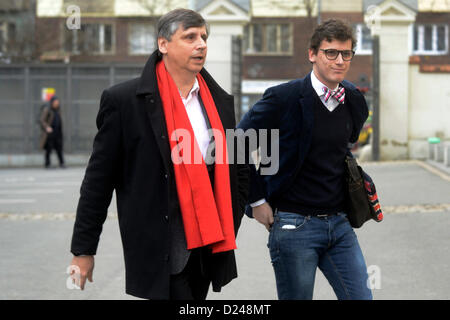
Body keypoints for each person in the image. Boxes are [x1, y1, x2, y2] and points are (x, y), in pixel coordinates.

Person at [69, 8, 248, 300]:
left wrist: (232, 218)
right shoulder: (124, 102)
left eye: (204, 37)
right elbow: (98, 182)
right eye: (190, 37)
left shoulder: (219, 101)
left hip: (208, 247)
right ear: (163, 44)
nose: (201, 44)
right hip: (161, 249)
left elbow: (238, 167)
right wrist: (83, 250)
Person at [238, 19, 373, 300]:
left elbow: (342, 150)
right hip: (293, 225)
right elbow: (237, 143)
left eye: (346, 54)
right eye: (331, 52)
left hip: (339, 224)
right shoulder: (284, 98)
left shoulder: (353, 100)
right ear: (312, 54)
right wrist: (257, 201)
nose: (339, 60)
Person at [39, 96, 65, 168]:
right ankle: (47, 164)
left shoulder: (58, 110)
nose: (57, 104)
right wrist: (47, 127)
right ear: (52, 103)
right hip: (50, 134)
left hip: (58, 133)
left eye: (57, 102)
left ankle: (62, 163)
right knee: (48, 149)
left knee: (59, 149)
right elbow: (42, 120)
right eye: (55, 102)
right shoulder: (48, 110)